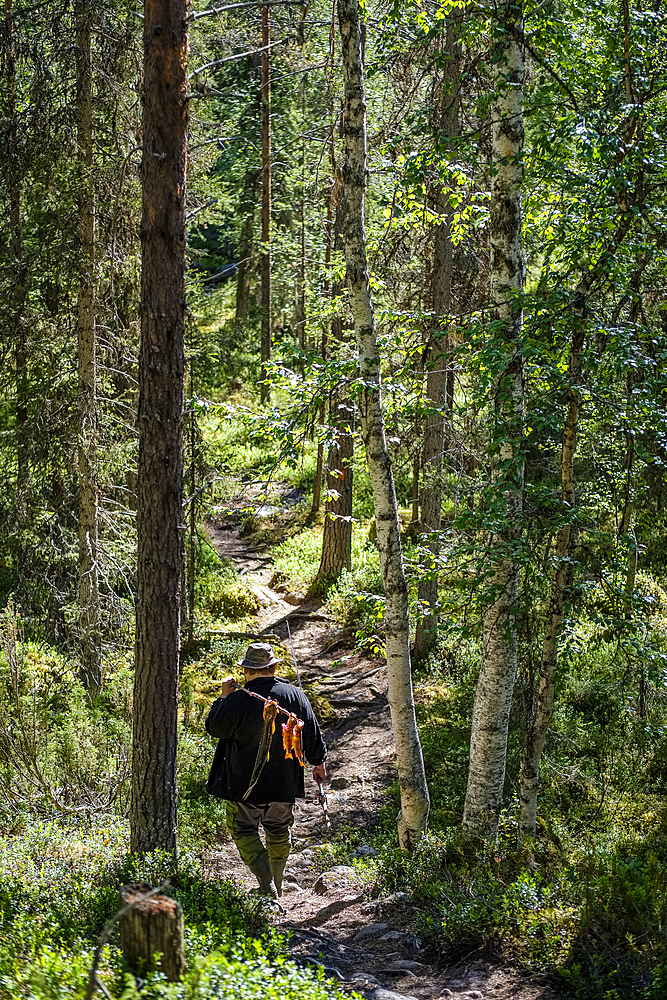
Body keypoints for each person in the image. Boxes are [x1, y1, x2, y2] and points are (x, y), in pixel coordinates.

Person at [205, 642, 327, 900]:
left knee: (242, 828)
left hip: (243, 784)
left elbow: (215, 727)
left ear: (246, 671)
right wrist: (319, 763)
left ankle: (266, 884)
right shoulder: (295, 695)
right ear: (273, 668)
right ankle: (277, 885)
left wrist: (224, 697)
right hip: (285, 783)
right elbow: (312, 734)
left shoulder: (238, 699)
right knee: (278, 829)